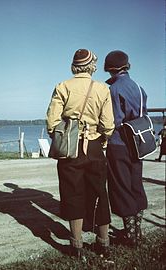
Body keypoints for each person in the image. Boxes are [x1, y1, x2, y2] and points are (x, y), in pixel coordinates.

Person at [46, 49, 114, 258]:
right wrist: (101, 139)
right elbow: (109, 125)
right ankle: (103, 242)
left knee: (72, 193)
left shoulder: (63, 87)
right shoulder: (102, 89)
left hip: (70, 148)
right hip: (94, 146)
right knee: (99, 193)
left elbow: (52, 123)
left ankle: (77, 246)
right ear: (92, 66)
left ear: (74, 65)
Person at [104, 50, 148, 247]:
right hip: (138, 142)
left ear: (110, 69)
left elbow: (112, 120)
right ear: (126, 66)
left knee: (121, 187)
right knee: (135, 184)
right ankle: (138, 232)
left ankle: (130, 237)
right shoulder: (138, 87)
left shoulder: (112, 90)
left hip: (118, 142)